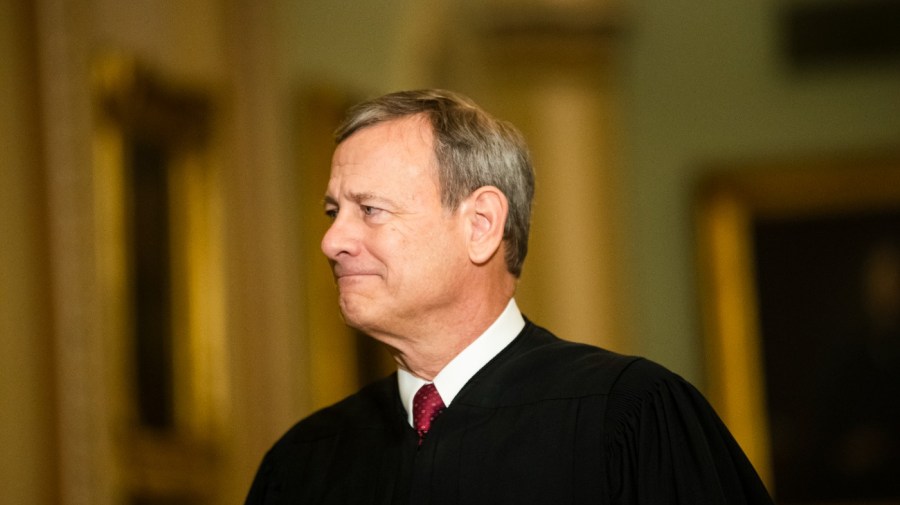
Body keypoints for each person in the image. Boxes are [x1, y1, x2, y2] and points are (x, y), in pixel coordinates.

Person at [244, 89, 774, 504]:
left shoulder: (626, 416)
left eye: (371, 210)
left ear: (480, 225)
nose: (332, 241)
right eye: (335, 212)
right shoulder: (304, 463)